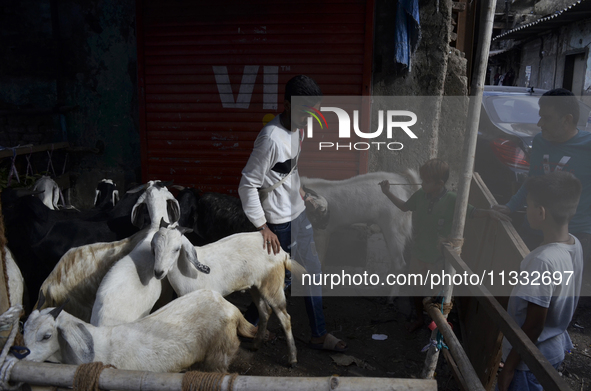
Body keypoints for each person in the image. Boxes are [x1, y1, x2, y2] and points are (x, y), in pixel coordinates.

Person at [238, 75, 347, 352]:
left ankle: (318, 334)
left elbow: (289, 171)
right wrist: (263, 226)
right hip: (277, 223)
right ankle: (247, 328)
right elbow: (247, 184)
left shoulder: (298, 129)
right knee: (280, 281)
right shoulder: (270, 138)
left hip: (298, 215)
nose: (308, 119)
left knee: (313, 272)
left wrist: (302, 195)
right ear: (286, 105)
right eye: (304, 112)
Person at [380, 158, 510, 332]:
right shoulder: (420, 195)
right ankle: (420, 318)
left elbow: (471, 212)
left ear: (440, 183)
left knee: (437, 293)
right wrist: (387, 192)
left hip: (438, 257)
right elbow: (404, 207)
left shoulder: (452, 200)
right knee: (416, 288)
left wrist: (489, 213)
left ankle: (437, 323)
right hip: (418, 252)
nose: (422, 183)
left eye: (426, 181)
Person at [496, 172, 583, 391]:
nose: (526, 210)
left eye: (529, 205)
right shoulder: (575, 244)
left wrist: (509, 367)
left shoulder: (542, 261)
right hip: (553, 349)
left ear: (541, 212)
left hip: (529, 361)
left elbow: (534, 324)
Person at [493, 88, 591, 270]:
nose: (540, 124)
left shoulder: (588, 146)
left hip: (573, 235)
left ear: (567, 120)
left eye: (546, 118)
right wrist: (510, 206)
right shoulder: (540, 142)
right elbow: (533, 181)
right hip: (535, 228)